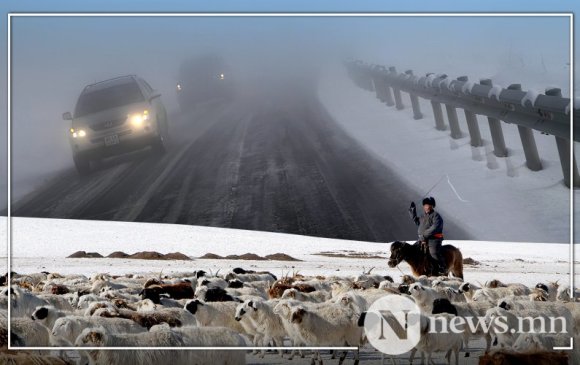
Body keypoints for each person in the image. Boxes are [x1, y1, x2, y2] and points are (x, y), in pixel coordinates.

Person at [409, 197, 446, 275]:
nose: (427, 207)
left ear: (432, 206)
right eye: (425, 205)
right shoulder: (423, 216)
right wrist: (412, 210)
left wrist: (424, 235)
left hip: (434, 239)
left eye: (429, 205)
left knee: (433, 253)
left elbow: (435, 227)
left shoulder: (436, 216)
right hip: (422, 239)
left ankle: (442, 267)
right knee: (413, 250)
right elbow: (416, 221)